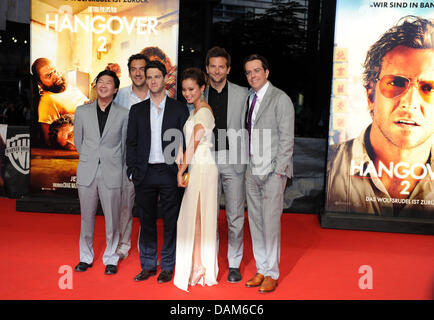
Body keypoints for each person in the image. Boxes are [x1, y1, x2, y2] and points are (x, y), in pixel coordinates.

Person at [326, 16, 434, 218]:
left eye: (428, 88)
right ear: (370, 95)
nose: (410, 103)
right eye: (396, 83)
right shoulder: (328, 168)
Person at [126, 60, 189, 283]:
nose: (152, 80)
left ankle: (168, 266)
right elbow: (131, 142)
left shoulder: (179, 108)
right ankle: (149, 264)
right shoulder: (137, 110)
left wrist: (182, 170)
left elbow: (185, 141)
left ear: (165, 80)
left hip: (169, 172)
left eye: (156, 77)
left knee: (171, 221)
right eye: (149, 76)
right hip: (144, 172)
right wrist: (132, 170)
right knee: (146, 220)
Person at [242, 54, 294, 293]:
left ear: (266, 72)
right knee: (255, 221)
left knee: (270, 222)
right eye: (248, 72)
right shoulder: (248, 99)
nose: (252, 75)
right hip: (251, 168)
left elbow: (286, 139)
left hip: (273, 171)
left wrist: (279, 172)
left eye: (256, 71)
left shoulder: (280, 98)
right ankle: (262, 269)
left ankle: (272, 272)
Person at [73, 70, 129, 275]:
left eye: (109, 83)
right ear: (95, 86)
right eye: (100, 82)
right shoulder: (81, 111)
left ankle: (111, 258)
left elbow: (124, 145)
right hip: (87, 169)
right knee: (86, 217)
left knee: (113, 218)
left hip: (112, 171)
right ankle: (85, 257)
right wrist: (90, 157)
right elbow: (78, 142)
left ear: (115, 89)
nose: (103, 85)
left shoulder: (124, 114)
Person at [204, 46, 248, 283]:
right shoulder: (200, 95)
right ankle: (209, 260)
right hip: (207, 161)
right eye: (213, 66)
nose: (217, 70)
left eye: (222, 66)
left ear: (228, 69)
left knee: (234, 216)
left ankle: (234, 263)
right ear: (207, 69)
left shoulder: (243, 94)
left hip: (233, 160)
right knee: (209, 215)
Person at [173, 68, 219, 291]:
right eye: (183, 89)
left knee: (197, 219)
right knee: (195, 219)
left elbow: (196, 142)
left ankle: (199, 266)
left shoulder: (203, 112)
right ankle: (198, 264)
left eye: (191, 89)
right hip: (198, 167)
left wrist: (181, 169)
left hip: (202, 168)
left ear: (203, 88)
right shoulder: (195, 111)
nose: (187, 93)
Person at [113, 53, 150, 260]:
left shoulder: (158, 94)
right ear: (129, 73)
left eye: (142, 68)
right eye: (134, 69)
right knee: (125, 204)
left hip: (152, 161)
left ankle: (146, 246)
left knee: (148, 206)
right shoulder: (121, 96)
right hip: (127, 158)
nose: (138, 73)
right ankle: (123, 245)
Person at [31, 58, 88, 145]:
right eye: (49, 75)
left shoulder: (69, 87)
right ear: (40, 83)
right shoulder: (47, 101)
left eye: (55, 71)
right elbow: (50, 142)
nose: (55, 76)